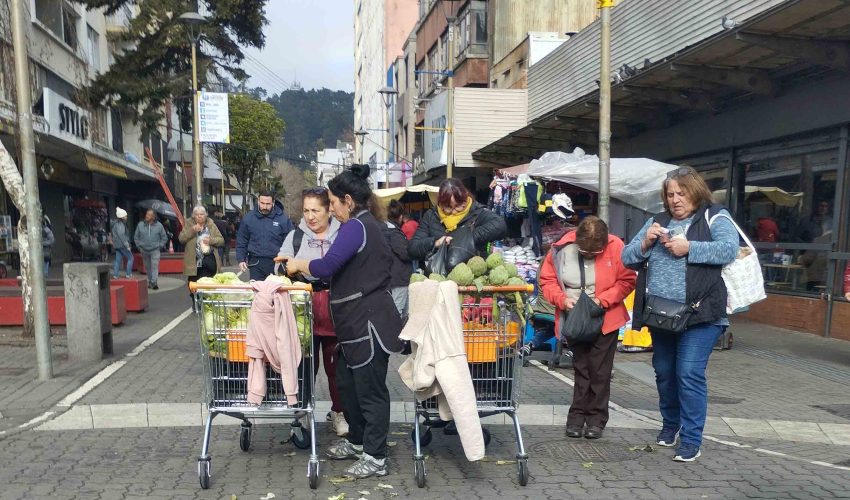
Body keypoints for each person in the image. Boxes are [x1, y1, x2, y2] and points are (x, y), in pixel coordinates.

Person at [281, 164, 404, 479]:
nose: (332, 209)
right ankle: (358, 441)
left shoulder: (357, 227)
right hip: (353, 325)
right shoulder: (361, 225)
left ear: (348, 201)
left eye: (333, 202)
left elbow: (328, 265)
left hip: (368, 323)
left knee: (371, 392)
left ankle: (375, 457)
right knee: (348, 386)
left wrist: (298, 264)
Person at [622, 166, 739, 463]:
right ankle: (670, 424)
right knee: (664, 372)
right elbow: (626, 257)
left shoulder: (715, 216)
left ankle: (691, 439)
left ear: (695, 191)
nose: (675, 199)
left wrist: (690, 248)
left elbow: (729, 250)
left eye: (681, 193)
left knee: (688, 373)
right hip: (661, 314)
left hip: (701, 315)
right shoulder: (658, 221)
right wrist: (645, 242)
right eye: (670, 194)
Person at [539, 216, 636, 440]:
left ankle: (596, 419)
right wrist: (562, 300)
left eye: (595, 253)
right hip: (574, 318)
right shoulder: (561, 248)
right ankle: (576, 417)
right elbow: (547, 280)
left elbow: (628, 280)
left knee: (600, 371)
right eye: (584, 251)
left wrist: (603, 300)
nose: (590, 255)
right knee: (581, 369)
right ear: (576, 240)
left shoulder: (617, 246)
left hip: (605, 317)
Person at [276, 187, 347, 437]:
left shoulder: (343, 234)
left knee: (337, 368)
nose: (310, 216)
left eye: (316, 210)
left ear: (329, 210)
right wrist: (286, 269)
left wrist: (303, 266)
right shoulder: (295, 236)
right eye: (306, 211)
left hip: (336, 308)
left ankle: (339, 412)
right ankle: (303, 413)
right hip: (302, 311)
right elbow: (280, 267)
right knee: (304, 366)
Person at [408, 178, 507, 270]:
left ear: (466, 197)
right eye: (448, 207)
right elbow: (412, 248)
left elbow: (500, 225)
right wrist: (436, 243)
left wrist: (466, 238)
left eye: (459, 206)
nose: (454, 211)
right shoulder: (431, 216)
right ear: (440, 203)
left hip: (472, 276)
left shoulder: (477, 212)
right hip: (439, 277)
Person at [236, 191, 294, 281]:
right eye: (262, 203)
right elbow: (242, 241)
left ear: (273, 203)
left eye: (268, 204)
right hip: (255, 264)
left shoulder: (283, 219)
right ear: (258, 201)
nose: (265, 207)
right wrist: (241, 259)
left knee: (276, 289)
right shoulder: (248, 218)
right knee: (257, 289)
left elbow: (291, 241)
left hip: (277, 263)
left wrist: (290, 260)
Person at [179, 206, 224, 296]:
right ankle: (196, 301)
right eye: (197, 214)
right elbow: (181, 239)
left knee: (208, 287)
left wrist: (211, 241)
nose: (199, 216)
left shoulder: (211, 224)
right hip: (194, 262)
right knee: (193, 286)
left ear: (206, 215)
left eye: (202, 214)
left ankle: (205, 301)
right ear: (193, 216)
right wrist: (192, 230)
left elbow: (221, 240)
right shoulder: (189, 224)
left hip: (209, 260)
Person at [382, 199, 413, 316]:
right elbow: (404, 253)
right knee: (398, 312)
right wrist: (414, 251)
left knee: (401, 311)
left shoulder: (383, 229)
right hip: (399, 278)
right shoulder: (394, 232)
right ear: (400, 216)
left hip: (390, 277)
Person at [134, 209, 168, 290]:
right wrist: (139, 247)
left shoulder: (159, 226)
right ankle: (150, 281)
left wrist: (160, 246)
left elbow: (164, 237)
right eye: (147, 214)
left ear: (153, 217)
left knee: (154, 266)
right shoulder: (140, 225)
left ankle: (154, 282)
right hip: (144, 250)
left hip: (155, 250)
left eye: (149, 215)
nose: (147, 216)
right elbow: (136, 237)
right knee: (148, 267)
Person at [111, 207, 133, 279]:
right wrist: (127, 245)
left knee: (118, 260)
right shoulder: (120, 225)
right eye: (125, 216)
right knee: (131, 258)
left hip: (117, 245)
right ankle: (128, 274)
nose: (126, 217)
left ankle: (116, 275)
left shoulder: (115, 224)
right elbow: (122, 236)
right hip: (122, 245)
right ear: (122, 217)